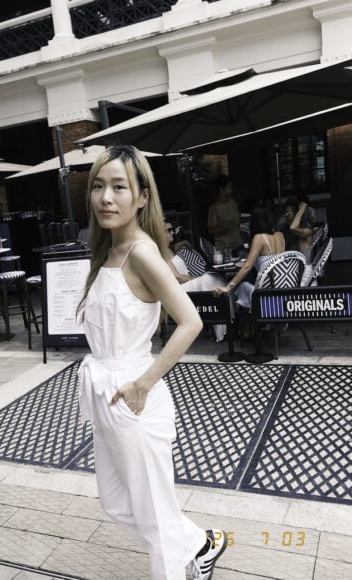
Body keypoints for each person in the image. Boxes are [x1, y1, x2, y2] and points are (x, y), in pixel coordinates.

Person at [77, 145, 227, 580]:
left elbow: (190, 322)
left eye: (119, 187)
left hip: (134, 392)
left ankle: (184, 561)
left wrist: (143, 383)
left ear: (143, 197)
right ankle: (199, 543)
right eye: (98, 187)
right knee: (117, 502)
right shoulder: (108, 250)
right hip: (106, 389)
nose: (106, 198)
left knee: (156, 516)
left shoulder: (141, 253)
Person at [212, 205, 285, 316]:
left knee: (240, 287)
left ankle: (241, 322)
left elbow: (247, 267)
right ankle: (252, 322)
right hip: (282, 289)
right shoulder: (279, 235)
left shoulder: (259, 237)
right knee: (246, 284)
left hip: (266, 292)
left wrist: (228, 287)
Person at [164, 222, 228, 342]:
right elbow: (178, 278)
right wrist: (195, 278)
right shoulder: (161, 252)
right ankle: (220, 325)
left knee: (214, 277)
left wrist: (184, 243)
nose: (172, 232)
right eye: (168, 230)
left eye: (172, 229)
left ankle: (223, 322)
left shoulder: (169, 249)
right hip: (180, 287)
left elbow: (179, 248)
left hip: (186, 281)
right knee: (209, 278)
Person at [282, 198, 314, 284]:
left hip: (305, 274)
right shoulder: (286, 232)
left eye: (289, 213)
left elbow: (293, 227)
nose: (286, 216)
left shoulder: (307, 231)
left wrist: (302, 209)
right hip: (293, 273)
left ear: (297, 214)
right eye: (285, 214)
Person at [207, 175, 242, 252]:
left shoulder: (232, 202)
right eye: (229, 187)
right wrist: (227, 226)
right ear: (221, 189)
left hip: (238, 245)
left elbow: (238, 219)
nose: (232, 190)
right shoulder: (214, 207)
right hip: (224, 249)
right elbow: (211, 230)